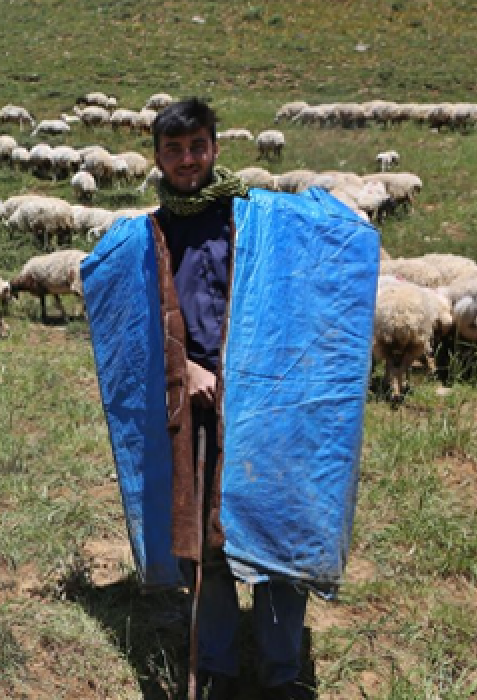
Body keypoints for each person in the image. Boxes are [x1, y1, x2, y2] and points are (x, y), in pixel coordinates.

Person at [150, 98, 312, 700]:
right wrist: (184, 366)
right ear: (159, 159)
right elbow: (142, 319)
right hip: (194, 402)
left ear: (215, 148)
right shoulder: (154, 233)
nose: (187, 159)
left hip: (266, 398)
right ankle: (216, 663)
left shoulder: (257, 217)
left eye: (197, 146)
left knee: (274, 528)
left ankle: (282, 674)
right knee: (206, 542)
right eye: (174, 150)